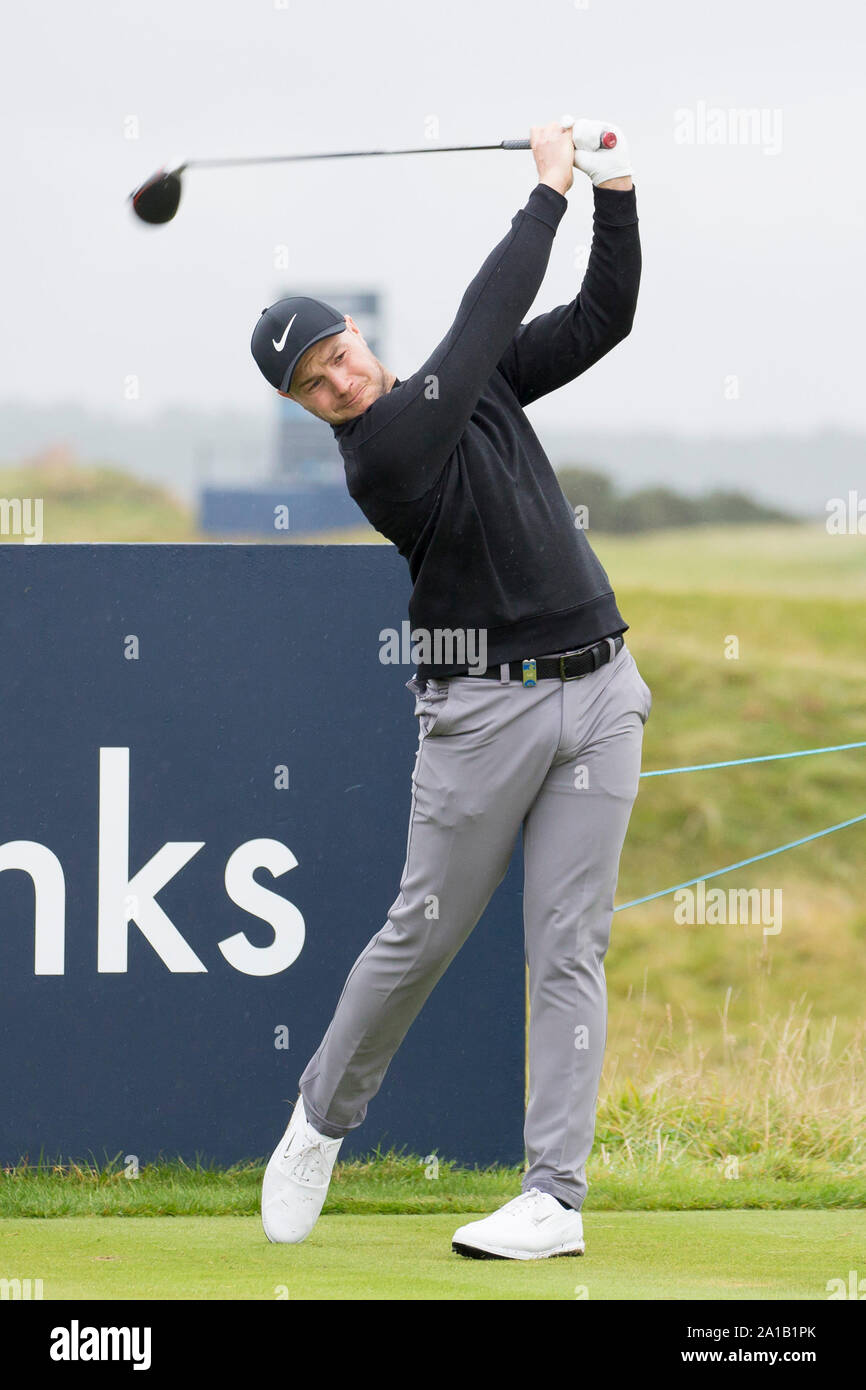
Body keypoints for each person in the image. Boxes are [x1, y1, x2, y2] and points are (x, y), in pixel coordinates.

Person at [250, 117, 651, 1260]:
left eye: (334, 350)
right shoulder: (383, 454)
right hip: (479, 713)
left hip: (600, 687)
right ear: (305, 405)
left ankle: (552, 1200)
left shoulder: (461, 387)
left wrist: (611, 191)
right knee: (418, 937)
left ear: (355, 331)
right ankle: (320, 1120)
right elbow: (483, 325)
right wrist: (544, 192)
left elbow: (602, 317)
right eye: (311, 381)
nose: (336, 376)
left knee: (568, 946)